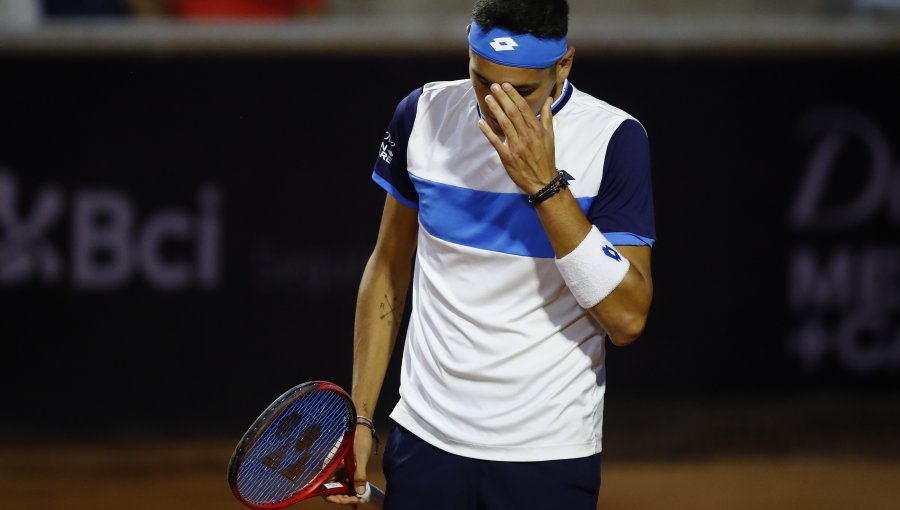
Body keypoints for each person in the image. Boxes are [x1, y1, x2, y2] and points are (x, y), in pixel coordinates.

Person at [327, 1, 655, 508]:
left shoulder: (614, 139)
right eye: (482, 81)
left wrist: (546, 187)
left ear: (563, 65)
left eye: (521, 91)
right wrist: (363, 416)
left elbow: (628, 319)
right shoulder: (423, 114)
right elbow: (388, 269)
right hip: (425, 439)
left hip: (548, 452)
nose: (496, 105)